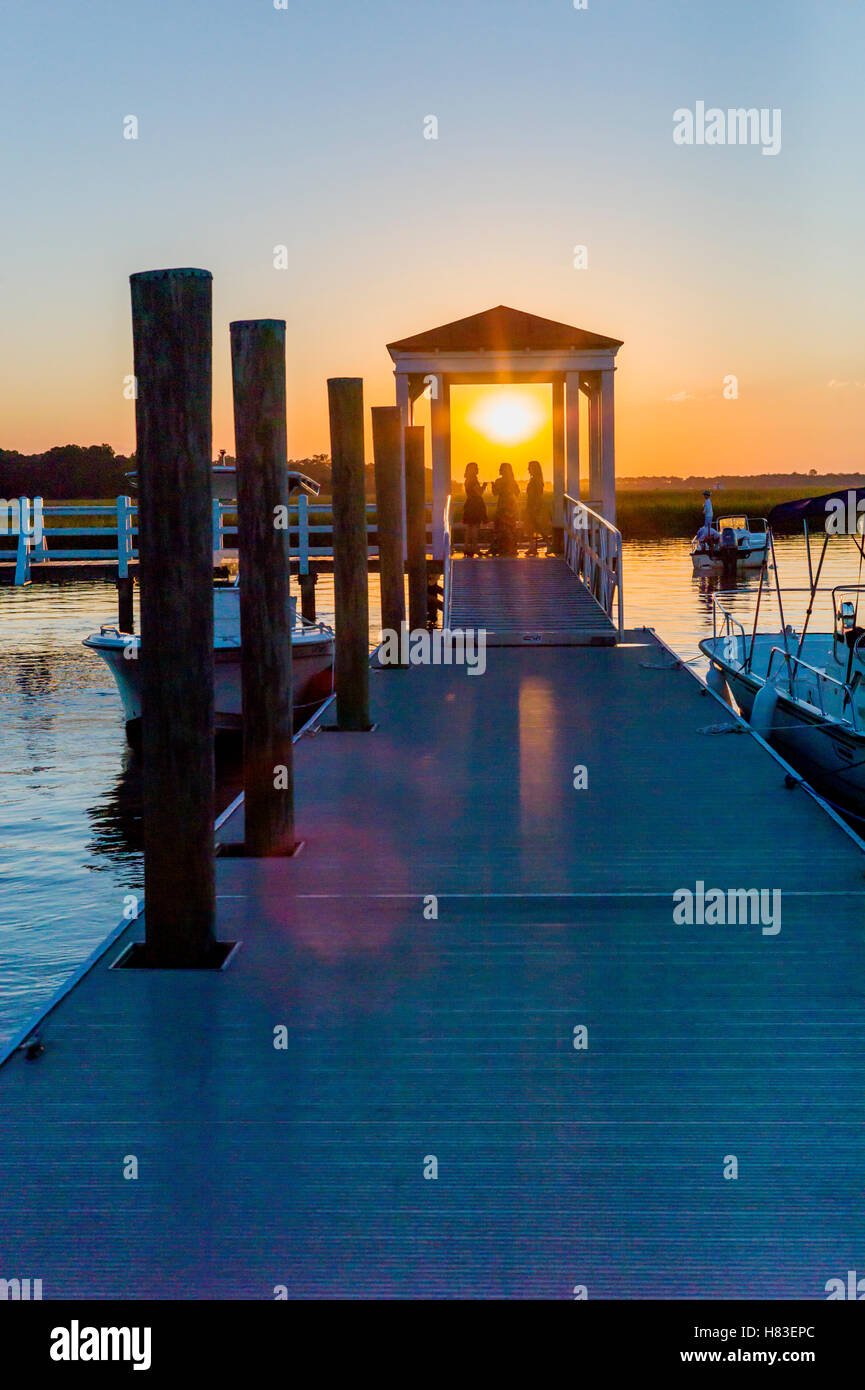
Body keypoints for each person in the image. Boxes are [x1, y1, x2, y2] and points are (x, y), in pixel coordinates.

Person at [491, 462, 520, 556]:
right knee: (510, 527)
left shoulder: (499, 481)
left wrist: (493, 486)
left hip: (503, 505)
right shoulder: (512, 481)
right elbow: (517, 492)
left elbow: (495, 493)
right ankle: (511, 548)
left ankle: (501, 548)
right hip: (511, 505)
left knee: (501, 527)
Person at [461, 461, 487, 557]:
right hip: (475, 505)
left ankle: (467, 547)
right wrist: (483, 487)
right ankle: (475, 547)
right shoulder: (473, 480)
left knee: (469, 528)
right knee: (475, 527)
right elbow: (479, 493)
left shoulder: (467, 480)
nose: (477, 470)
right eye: (476, 468)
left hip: (469, 505)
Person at [524, 460, 547, 555]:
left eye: (530, 467)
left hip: (533, 506)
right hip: (533, 505)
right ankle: (532, 546)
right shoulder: (537, 480)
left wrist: (534, 507)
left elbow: (536, 495)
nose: (528, 469)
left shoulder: (535, 481)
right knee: (533, 527)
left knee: (535, 527)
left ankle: (537, 546)